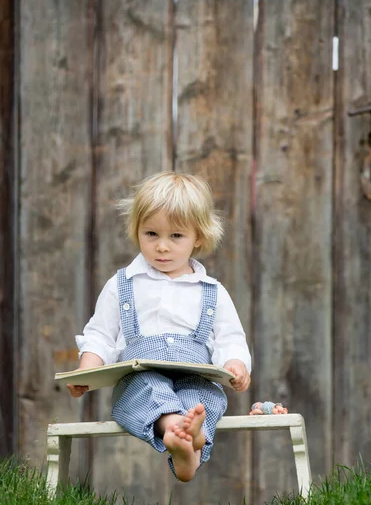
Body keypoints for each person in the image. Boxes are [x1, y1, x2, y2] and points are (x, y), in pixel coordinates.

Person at [67, 172, 251, 482]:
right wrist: (87, 370)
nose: (162, 247)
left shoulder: (212, 291)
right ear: (136, 230)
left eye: (176, 236)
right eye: (151, 234)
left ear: (199, 238)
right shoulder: (123, 284)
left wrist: (235, 363)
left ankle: (189, 449)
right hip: (141, 373)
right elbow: (100, 334)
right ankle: (175, 431)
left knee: (205, 398)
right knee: (146, 389)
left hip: (196, 372)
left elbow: (229, 338)